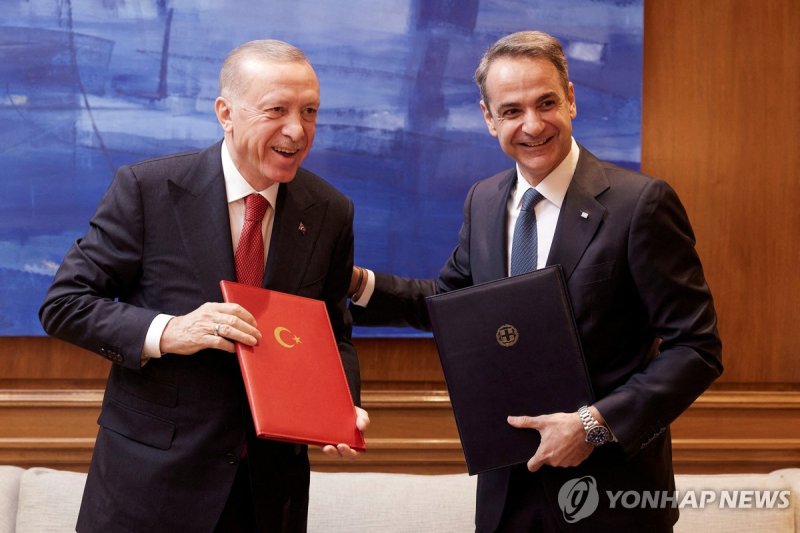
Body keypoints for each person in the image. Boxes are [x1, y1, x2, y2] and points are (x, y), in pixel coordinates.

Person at [349, 31, 722, 532]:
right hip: (508, 496)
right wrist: (356, 284)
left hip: (612, 499)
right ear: (488, 118)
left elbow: (696, 348)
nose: (532, 125)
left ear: (571, 98)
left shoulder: (640, 205)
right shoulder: (482, 201)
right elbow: (453, 304)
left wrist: (593, 425)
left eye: (546, 102)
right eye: (511, 111)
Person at [39, 39, 368, 533]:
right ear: (225, 112)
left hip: (267, 495)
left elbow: (331, 333)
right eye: (276, 110)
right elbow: (64, 304)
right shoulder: (148, 190)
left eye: (310, 111)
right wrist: (169, 331)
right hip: (150, 489)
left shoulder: (331, 210)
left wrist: (340, 406)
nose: (297, 130)